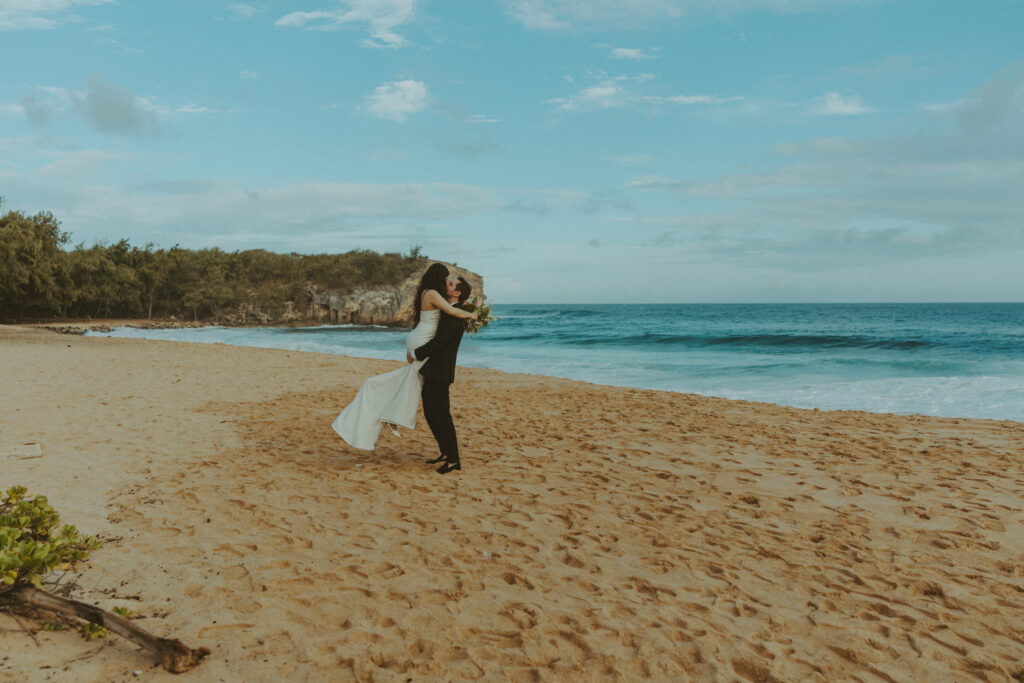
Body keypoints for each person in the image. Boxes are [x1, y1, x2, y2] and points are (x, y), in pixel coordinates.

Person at [332, 263, 476, 452]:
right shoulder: (433, 294)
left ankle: (392, 414)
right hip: (421, 341)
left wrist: (465, 305)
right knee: (412, 384)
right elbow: (452, 311)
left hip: (419, 339)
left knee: (409, 382)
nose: (446, 283)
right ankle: (392, 414)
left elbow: (451, 307)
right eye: (445, 279)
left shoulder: (427, 292)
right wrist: (473, 315)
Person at [408, 276, 472, 474]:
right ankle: (445, 452)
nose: (447, 284)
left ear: (457, 293)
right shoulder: (450, 309)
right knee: (430, 413)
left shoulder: (455, 314)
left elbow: (441, 341)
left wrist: (416, 354)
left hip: (440, 371)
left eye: (451, 284)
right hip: (434, 368)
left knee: (442, 415)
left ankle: (453, 460)